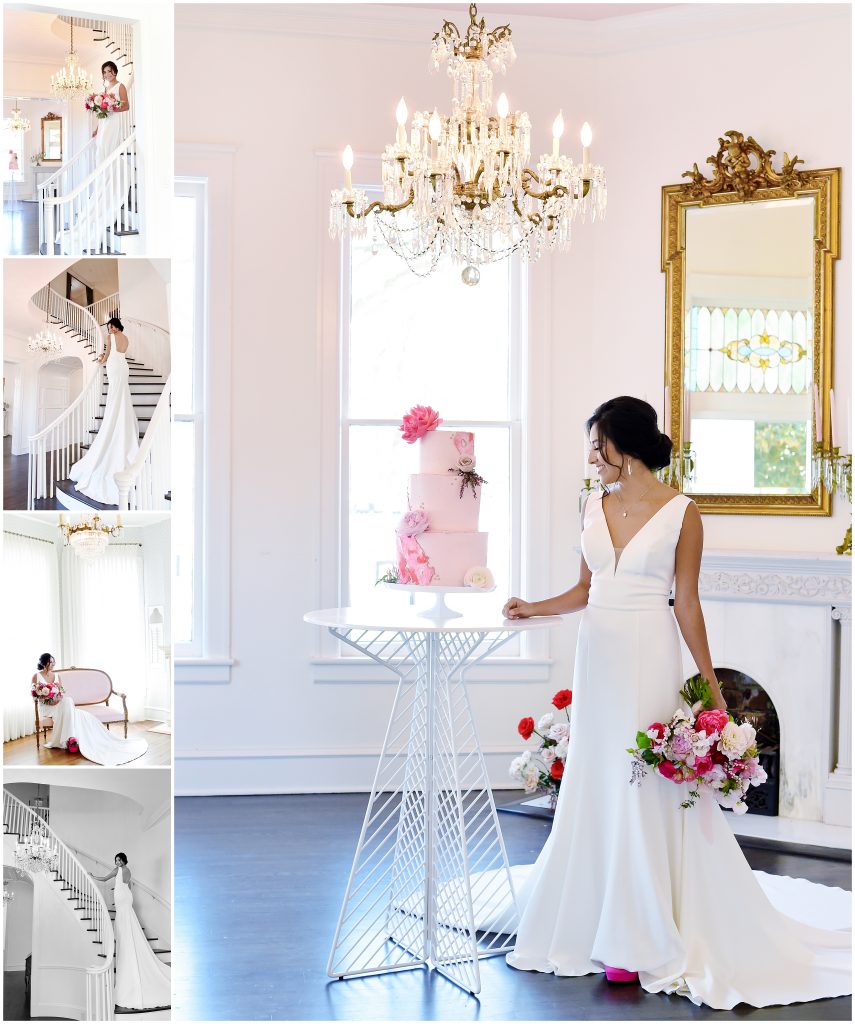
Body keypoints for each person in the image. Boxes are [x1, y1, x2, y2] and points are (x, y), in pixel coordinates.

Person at [502, 396, 850, 1009]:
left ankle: (641, 931)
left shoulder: (683, 513)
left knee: (643, 780)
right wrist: (534, 605)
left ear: (623, 443)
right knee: (597, 777)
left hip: (647, 653)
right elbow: (585, 590)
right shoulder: (591, 503)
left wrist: (711, 687)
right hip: (598, 654)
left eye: (596, 442)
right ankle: (592, 919)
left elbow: (686, 603)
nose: (590, 454)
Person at [69, 317, 139, 506]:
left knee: (115, 397)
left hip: (115, 367)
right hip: (124, 368)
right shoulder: (126, 338)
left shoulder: (111, 337)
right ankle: (120, 421)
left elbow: (107, 355)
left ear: (113, 327)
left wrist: (100, 359)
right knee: (122, 396)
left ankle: (113, 422)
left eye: (110, 326)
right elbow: (119, 353)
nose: (109, 329)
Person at [91, 853, 170, 1012]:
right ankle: (127, 941)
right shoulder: (128, 871)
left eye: (119, 860)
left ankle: (127, 943)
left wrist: (93, 876)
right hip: (126, 897)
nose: (117, 862)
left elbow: (105, 879)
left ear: (123, 860)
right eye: (116, 860)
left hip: (122, 898)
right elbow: (128, 886)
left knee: (123, 920)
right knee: (125, 919)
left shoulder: (117, 870)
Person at [34, 653, 146, 766]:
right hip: (46, 707)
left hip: (58, 704)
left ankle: (71, 739)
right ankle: (70, 740)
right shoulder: (36, 676)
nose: (53, 665)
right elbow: (35, 695)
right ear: (44, 663)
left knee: (68, 700)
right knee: (73, 711)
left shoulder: (57, 676)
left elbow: (61, 693)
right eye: (51, 662)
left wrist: (56, 699)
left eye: (54, 663)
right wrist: (46, 698)